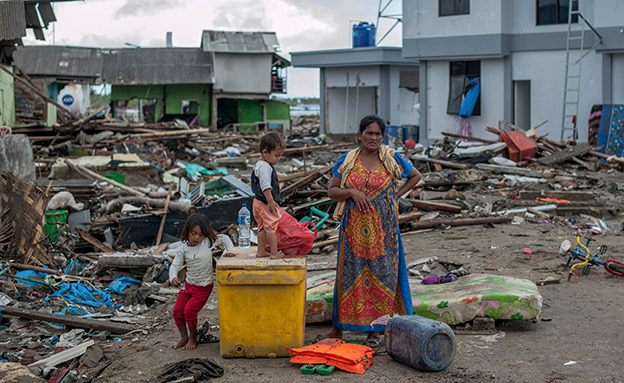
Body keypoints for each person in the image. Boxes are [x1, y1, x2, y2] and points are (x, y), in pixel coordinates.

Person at [325, 115, 422, 348]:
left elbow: (415, 176)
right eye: (369, 133)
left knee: (384, 274)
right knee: (349, 275)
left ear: (383, 136)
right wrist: (352, 193)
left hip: (384, 229)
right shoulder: (348, 160)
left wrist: (395, 197)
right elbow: (332, 190)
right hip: (353, 230)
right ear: (359, 135)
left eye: (378, 133)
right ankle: (338, 327)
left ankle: (375, 331)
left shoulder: (390, 158)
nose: (373, 137)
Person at [169, 213, 235, 350]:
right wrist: (173, 277)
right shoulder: (183, 249)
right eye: (193, 234)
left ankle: (193, 338)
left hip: (203, 287)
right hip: (188, 286)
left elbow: (225, 238)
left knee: (189, 312)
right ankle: (184, 337)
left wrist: (230, 251)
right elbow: (175, 265)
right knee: (177, 311)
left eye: (200, 234)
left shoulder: (208, 242)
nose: (196, 238)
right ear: (187, 231)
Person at [251, 132, 286, 259]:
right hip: (265, 202)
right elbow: (265, 186)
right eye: (276, 155)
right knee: (271, 227)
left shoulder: (260, 165)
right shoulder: (265, 167)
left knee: (262, 228)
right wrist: (271, 201)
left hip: (257, 202)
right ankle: (274, 253)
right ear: (265, 152)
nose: (278, 159)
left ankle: (261, 251)